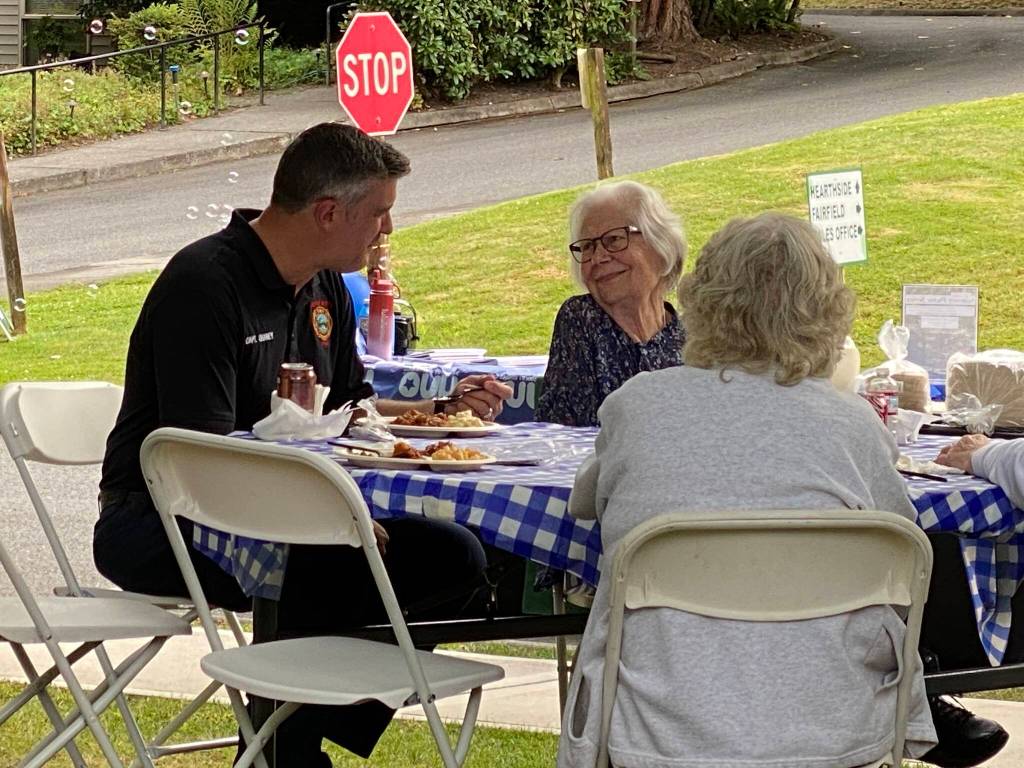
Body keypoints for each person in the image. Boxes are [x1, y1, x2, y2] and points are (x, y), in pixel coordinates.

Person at [95, 123, 511, 767]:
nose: (387, 232)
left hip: (286, 522)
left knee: (456, 558)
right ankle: (285, 747)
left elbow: (347, 409)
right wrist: (324, 517)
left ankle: (287, 735)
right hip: (155, 522)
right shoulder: (204, 283)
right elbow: (199, 455)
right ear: (327, 213)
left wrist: (437, 409)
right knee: (329, 571)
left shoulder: (323, 289)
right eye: (379, 214)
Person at [557, 212, 939, 768]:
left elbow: (584, 503)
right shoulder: (854, 424)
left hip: (655, 730)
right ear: (825, 310)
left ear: (701, 300)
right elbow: (903, 542)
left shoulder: (640, 405)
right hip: (834, 728)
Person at [534, 180, 686, 427]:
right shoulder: (581, 319)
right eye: (588, 247)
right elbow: (572, 435)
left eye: (614, 240)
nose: (599, 257)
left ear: (661, 244)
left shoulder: (692, 337)